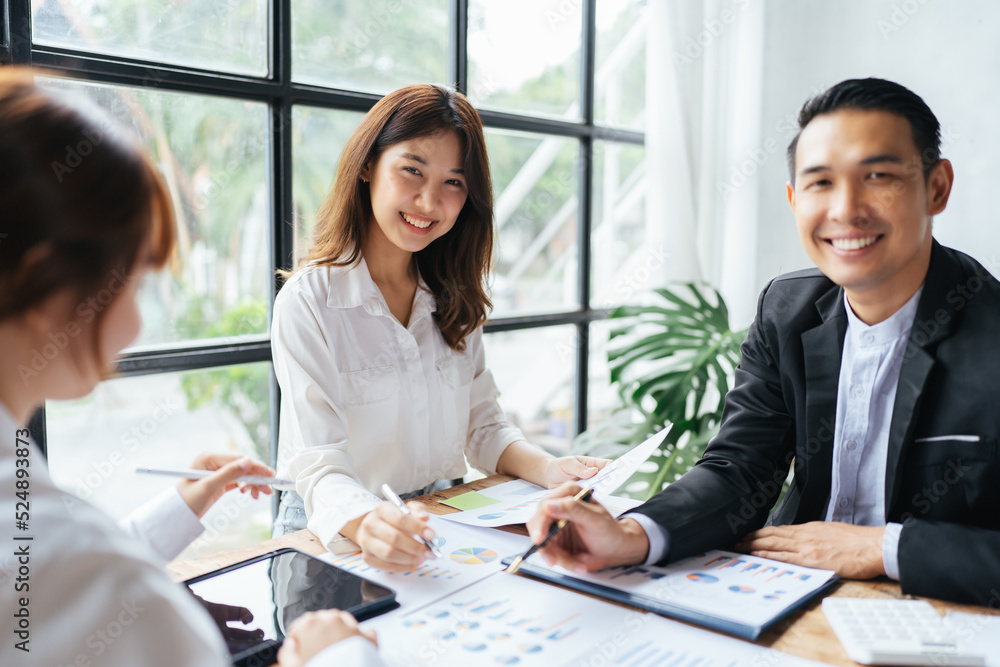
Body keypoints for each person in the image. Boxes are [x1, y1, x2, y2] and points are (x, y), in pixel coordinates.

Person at [527, 77, 1000, 607]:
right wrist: (634, 535)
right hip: (786, 595)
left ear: (936, 186)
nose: (846, 209)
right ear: (795, 199)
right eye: (821, 183)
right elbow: (740, 468)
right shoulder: (788, 310)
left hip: (941, 612)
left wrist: (887, 548)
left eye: (878, 176)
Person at [0, 69, 380, 666]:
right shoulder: (90, 575)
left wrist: (183, 504)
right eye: (135, 282)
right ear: (48, 288)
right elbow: (68, 572)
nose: (135, 326)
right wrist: (340, 657)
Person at [271, 83, 608, 571]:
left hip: (441, 516)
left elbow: (483, 427)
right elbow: (318, 463)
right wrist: (370, 523)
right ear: (368, 165)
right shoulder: (309, 302)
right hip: (335, 530)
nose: (429, 201)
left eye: (453, 182)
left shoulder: (453, 296)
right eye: (412, 170)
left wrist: (552, 469)